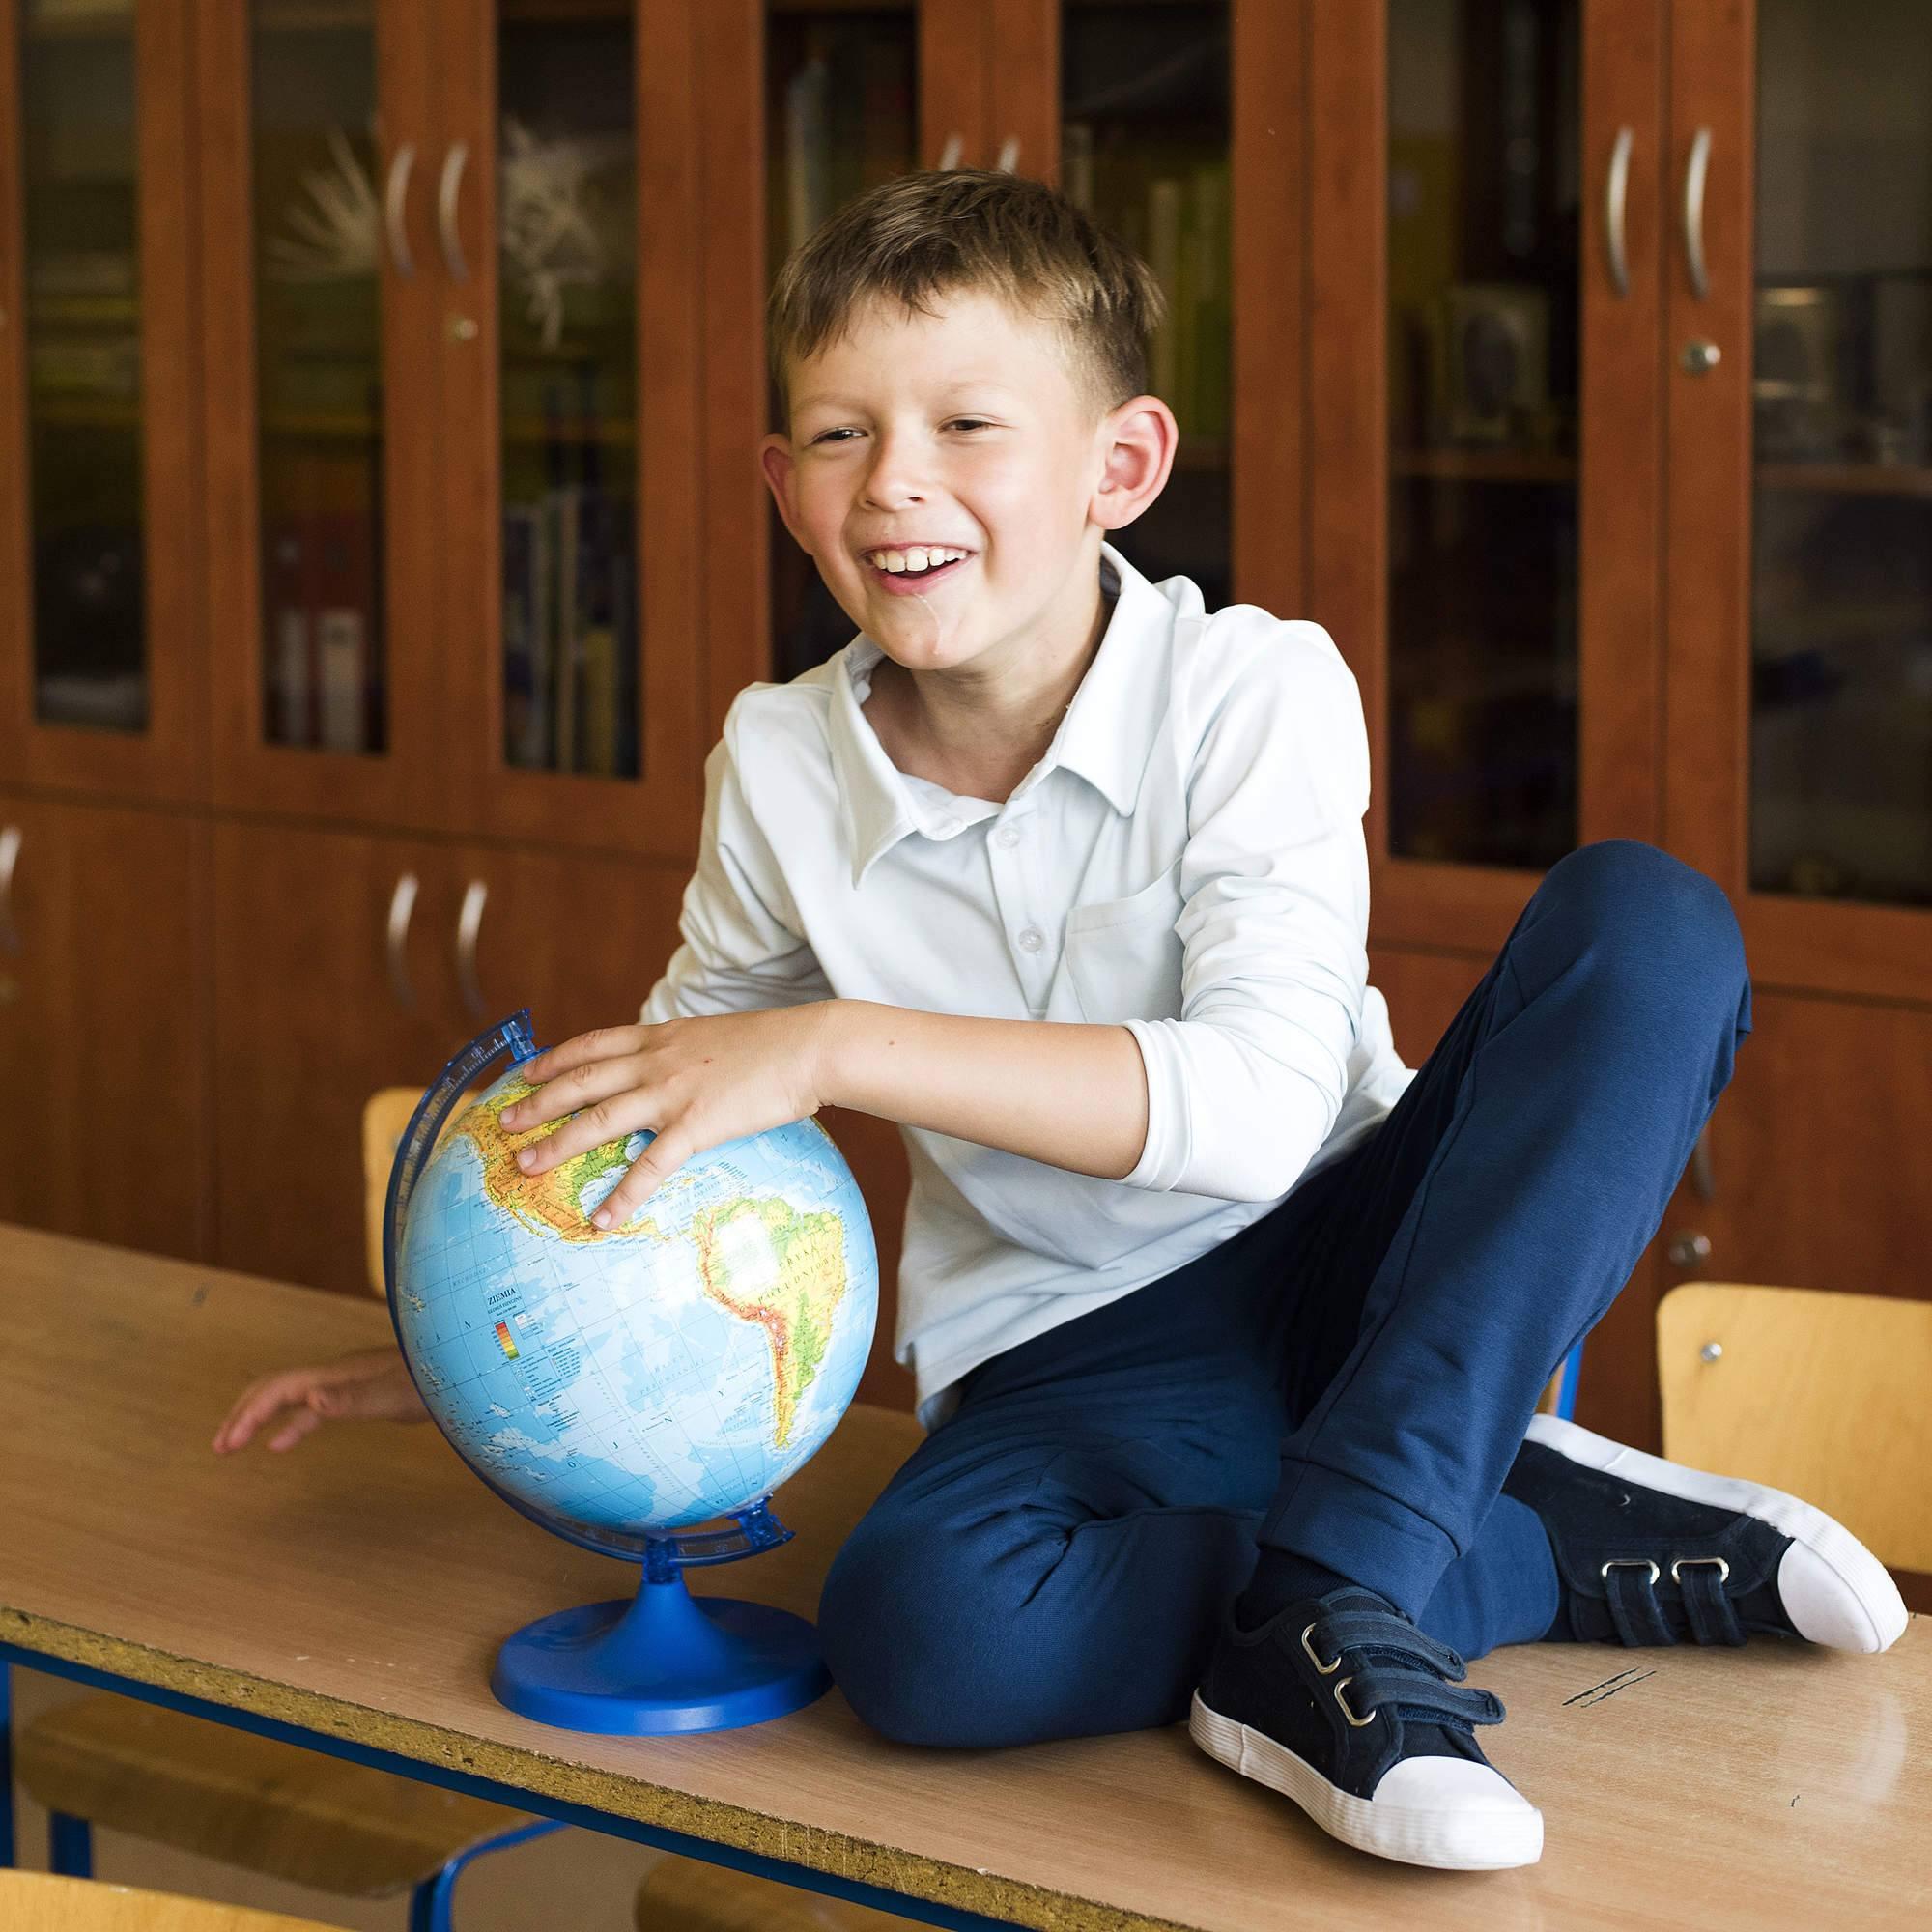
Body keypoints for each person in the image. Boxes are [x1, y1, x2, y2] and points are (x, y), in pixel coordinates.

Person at [215, 169, 1906, 1872]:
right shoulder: (781, 760)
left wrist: (830, 1041)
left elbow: (1253, 1107)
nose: (895, 484)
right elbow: (687, 1105)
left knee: (1651, 923)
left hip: (1370, 1279)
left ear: (1123, 467)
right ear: (782, 490)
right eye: (836, 435)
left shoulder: (1257, 691)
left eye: (965, 424)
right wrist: (485, 1358)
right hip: (1065, 1355)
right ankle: (1511, 1535)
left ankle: (1330, 1593)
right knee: (921, 1638)